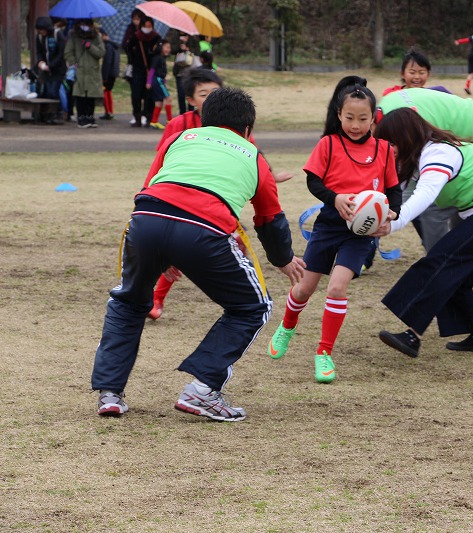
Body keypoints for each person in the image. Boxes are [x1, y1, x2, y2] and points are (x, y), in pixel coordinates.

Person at [92, 87, 305, 421]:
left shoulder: (180, 138)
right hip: (205, 230)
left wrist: (165, 251)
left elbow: (152, 187)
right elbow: (269, 218)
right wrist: (284, 259)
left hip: (147, 221)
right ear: (248, 130)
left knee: (129, 301)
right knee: (253, 306)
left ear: (205, 120)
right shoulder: (254, 155)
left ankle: (109, 393)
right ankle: (203, 389)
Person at [268, 76, 401, 384]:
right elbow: (313, 181)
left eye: (363, 119)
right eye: (350, 117)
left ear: (373, 118)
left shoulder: (383, 150)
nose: (356, 124)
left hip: (361, 233)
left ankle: (324, 353)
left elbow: (394, 192)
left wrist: (390, 216)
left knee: (337, 288)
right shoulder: (328, 143)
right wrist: (336, 198)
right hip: (328, 225)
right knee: (303, 288)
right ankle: (288, 326)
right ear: (339, 115)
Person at [373, 108, 473, 357]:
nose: (387, 148)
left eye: (390, 142)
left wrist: (393, 223)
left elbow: (424, 195)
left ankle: (413, 335)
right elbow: (395, 191)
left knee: (442, 262)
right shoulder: (415, 155)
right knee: (455, 270)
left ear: (405, 136)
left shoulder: (438, 152)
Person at [148, 68, 294, 319]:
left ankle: (237, 294)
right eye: (203, 93)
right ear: (191, 100)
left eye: (214, 92)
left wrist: (269, 174)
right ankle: (156, 299)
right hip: (179, 196)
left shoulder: (235, 124)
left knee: (222, 243)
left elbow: (252, 157)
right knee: (182, 240)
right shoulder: (179, 126)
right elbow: (165, 160)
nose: (209, 97)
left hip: (214, 203)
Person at [64, 19, 105, 128]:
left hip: (92, 70)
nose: (84, 26)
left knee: (91, 95)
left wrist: (90, 46)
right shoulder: (73, 36)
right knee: (80, 94)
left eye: (87, 24)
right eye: (82, 24)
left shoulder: (96, 36)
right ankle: (81, 117)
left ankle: (90, 116)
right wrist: (73, 63)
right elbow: (68, 52)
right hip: (80, 69)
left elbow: (101, 52)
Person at [127, 16, 161, 127]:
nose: (147, 28)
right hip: (138, 69)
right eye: (145, 26)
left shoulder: (156, 37)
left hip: (151, 70)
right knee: (136, 94)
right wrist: (133, 59)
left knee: (149, 96)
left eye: (149, 26)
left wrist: (154, 51)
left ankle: (148, 117)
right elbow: (128, 48)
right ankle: (137, 117)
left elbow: (159, 52)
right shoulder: (136, 37)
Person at [34, 16, 67, 124]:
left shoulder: (58, 35)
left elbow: (61, 53)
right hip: (46, 70)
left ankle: (59, 113)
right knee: (47, 92)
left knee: (54, 91)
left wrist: (51, 65)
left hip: (58, 70)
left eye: (42, 29)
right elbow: (39, 52)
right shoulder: (39, 37)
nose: (40, 32)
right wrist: (41, 62)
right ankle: (49, 114)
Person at [146, 39, 173, 130]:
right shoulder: (157, 58)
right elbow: (152, 70)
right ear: (161, 47)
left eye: (169, 48)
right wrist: (148, 82)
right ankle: (170, 121)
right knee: (168, 98)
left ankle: (154, 122)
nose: (168, 49)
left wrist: (164, 80)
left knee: (159, 102)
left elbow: (161, 71)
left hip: (159, 80)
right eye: (167, 47)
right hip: (157, 81)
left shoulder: (161, 58)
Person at [173, 32, 197, 113]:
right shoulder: (176, 38)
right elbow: (171, 50)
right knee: (181, 95)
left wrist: (187, 48)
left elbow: (198, 51)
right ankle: (182, 114)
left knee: (191, 94)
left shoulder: (193, 39)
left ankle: (191, 113)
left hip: (190, 71)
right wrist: (180, 47)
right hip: (179, 72)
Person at [99, 27, 120, 120]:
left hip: (108, 73)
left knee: (105, 91)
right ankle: (110, 110)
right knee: (109, 91)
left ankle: (108, 111)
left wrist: (104, 76)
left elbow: (107, 62)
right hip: (114, 71)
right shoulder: (114, 46)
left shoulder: (107, 46)